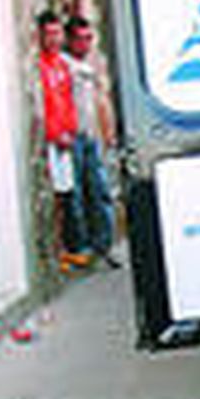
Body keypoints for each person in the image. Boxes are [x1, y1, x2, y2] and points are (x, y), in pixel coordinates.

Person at [33, 10, 88, 271]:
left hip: (67, 137)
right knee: (55, 195)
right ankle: (57, 250)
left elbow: (67, 102)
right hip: (54, 139)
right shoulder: (41, 66)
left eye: (57, 33)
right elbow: (46, 105)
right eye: (49, 33)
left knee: (66, 194)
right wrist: (55, 133)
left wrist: (71, 129)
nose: (54, 38)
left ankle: (66, 248)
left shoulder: (61, 65)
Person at [64, 15, 119, 268]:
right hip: (72, 136)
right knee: (76, 194)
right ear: (70, 39)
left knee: (101, 191)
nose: (85, 44)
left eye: (89, 38)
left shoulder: (93, 63)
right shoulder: (64, 65)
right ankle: (82, 247)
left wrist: (108, 132)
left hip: (92, 135)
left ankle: (105, 245)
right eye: (80, 39)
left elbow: (101, 99)